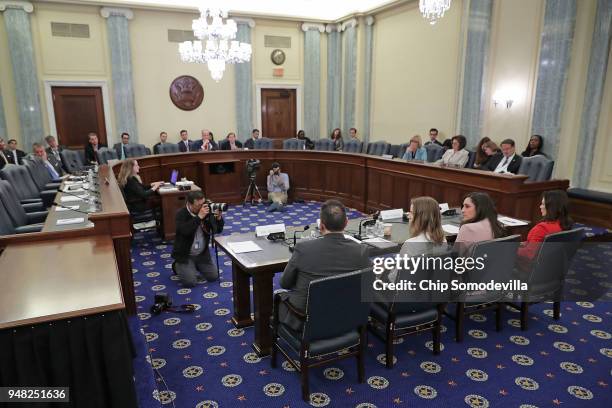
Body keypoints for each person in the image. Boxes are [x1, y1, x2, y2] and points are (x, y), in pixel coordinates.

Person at [278, 199, 371, 330]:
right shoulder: (361, 250)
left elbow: (284, 284)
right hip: (346, 316)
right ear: (346, 223)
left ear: (321, 226)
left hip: (307, 321)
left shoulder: (303, 248)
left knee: (279, 296)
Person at [387, 197, 447, 282]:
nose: (408, 216)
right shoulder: (443, 240)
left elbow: (394, 278)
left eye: (411, 213)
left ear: (421, 217)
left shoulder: (410, 244)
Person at [171, 190, 224, 287]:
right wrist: (199, 217)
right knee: (190, 282)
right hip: (185, 254)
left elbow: (217, 230)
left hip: (202, 254)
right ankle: (177, 265)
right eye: (198, 205)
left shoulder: (206, 211)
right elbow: (185, 231)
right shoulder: (181, 214)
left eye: (203, 203)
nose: (202, 207)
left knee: (213, 277)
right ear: (189, 204)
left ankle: (195, 266)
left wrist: (219, 218)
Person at [517, 190, 573, 260]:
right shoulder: (564, 224)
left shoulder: (542, 228)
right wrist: (524, 244)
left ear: (551, 207)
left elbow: (529, 253)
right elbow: (539, 244)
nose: (540, 207)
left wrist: (510, 249)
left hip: (528, 267)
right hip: (552, 265)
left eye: (543, 204)